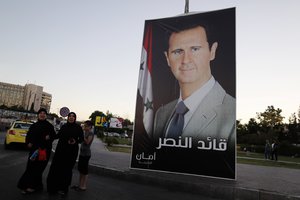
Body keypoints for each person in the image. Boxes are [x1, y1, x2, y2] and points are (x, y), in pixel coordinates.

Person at [152, 22, 236, 179]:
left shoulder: (231, 113)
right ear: (167, 58)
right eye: (177, 51)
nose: (186, 60)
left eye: (195, 49)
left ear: (212, 51)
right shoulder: (161, 114)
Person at [17, 108, 56, 194]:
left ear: (46, 115)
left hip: (44, 151)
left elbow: (53, 136)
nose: (42, 114)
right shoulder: (34, 126)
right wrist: (28, 143)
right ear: (38, 115)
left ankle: (32, 186)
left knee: (38, 169)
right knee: (30, 168)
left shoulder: (49, 126)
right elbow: (28, 136)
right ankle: (32, 186)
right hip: (34, 151)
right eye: (40, 113)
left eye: (44, 113)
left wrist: (49, 137)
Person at [47, 112, 83, 196]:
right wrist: (50, 135)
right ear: (68, 118)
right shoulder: (64, 126)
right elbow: (58, 136)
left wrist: (75, 141)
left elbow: (81, 139)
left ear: (75, 118)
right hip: (60, 151)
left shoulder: (78, 128)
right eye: (70, 116)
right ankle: (55, 187)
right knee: (57, 169)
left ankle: (64, 189)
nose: (71, 117)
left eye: (73, 116)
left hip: (71, 152)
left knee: (67, 170)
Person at [71, 120, 94, 191]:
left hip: (86, 154)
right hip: (82, 154)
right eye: (84, 125)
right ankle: (80, 185)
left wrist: (82, 136)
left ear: (90, 127)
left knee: (84, 171)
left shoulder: (90, 133)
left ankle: (83, 186)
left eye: (86, 126)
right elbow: (81, 141)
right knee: (81, 170)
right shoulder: (85, 132)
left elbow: (87, 142)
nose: (84, 127)